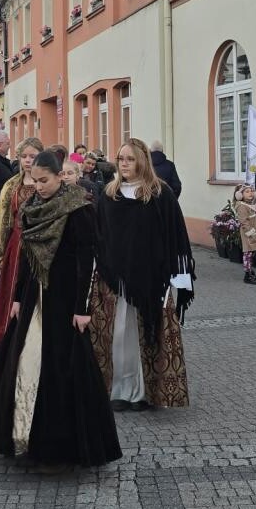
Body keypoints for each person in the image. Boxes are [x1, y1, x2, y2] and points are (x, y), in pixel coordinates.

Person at [0, 151, 121, 465]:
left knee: (64, 367)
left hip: (65, 298)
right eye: (34, 180)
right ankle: (23, 436)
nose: (38, 186)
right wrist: (17, 297)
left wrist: (82, 307)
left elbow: (88, 261)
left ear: (60, 176)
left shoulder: (79, 208)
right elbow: (27, 260)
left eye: (44, 180)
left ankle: (62, 446)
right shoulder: (31, 208)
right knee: (24, 362)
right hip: (34, 297)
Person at [93, 139, 194, 412]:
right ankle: (118, 390)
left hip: (151, 278)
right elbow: (100, 236)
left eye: (129, 159)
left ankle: (141, 392)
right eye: (120, 158)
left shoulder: (160, 194)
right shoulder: (108, 195)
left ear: (142, 161)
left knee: (144, 335)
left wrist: (179, 276)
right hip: (114, 278)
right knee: (117, 334)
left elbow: (175, 235)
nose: (124, 164)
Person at [0, 138, 45, 365]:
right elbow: (1, 220)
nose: (29, 161)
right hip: (17, 246)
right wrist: (0, 253)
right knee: (12, 297)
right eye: (25, 156)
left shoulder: (48, 182)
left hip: (43, 244)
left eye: (33, 156)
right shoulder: (12, 185)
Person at [233, 184, 256, 286]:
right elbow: (244, 223)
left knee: (251, 253)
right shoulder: (242, 206)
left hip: (254, 233)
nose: (250, 193)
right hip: (249, 234)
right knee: (248, 254)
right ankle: (247, 274)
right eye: (247, 192)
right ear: (240, 195)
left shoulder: (250, 204)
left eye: (251, 191)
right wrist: (253, 234)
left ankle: (250, 271)